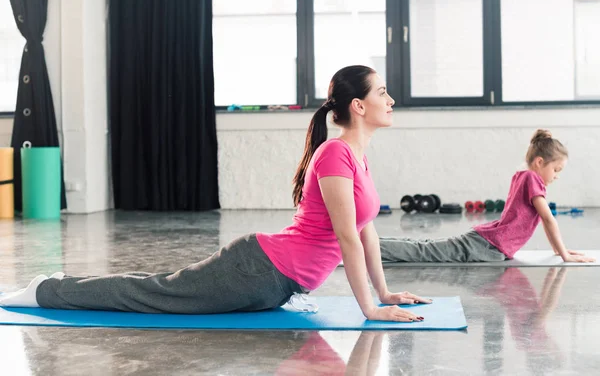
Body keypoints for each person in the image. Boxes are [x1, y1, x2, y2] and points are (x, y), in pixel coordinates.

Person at [0, 65, 431, 322]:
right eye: (382, 93)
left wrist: (385, 293)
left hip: (275, 282)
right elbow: (347, 238)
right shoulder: (336, 154)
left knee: (157, 289)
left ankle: (56, 285)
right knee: (153, 293)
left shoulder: (357, 155)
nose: (390, 100)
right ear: (358, 105)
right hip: (258, 270)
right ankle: (46, 290)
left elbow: (366, 230)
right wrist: (369, 311)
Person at [379, 129, 596, 264]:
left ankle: (368, 243)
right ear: (539, 162)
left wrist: (560, 251)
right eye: (556, 169)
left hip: (487, 241)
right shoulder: (532, 179)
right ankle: (365, 246)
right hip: (488, 246)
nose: (557, 176)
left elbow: (545, 221)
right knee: (424, 251)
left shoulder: (523, 175)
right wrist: (564, 255)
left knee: (425, 246)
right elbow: (548, 219)